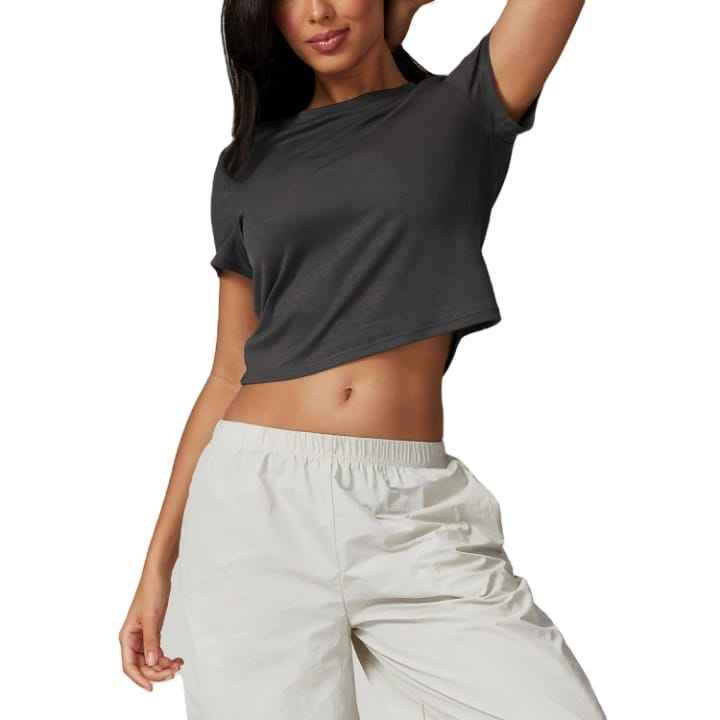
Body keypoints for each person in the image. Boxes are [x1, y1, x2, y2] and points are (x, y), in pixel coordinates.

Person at [119, 0, 608, 718]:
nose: (318, 12)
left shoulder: (459, 111)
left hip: (409, 509)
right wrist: (156, 566)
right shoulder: (248, 165)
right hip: (251, 505)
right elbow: (227, 373)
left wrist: (398, 8)